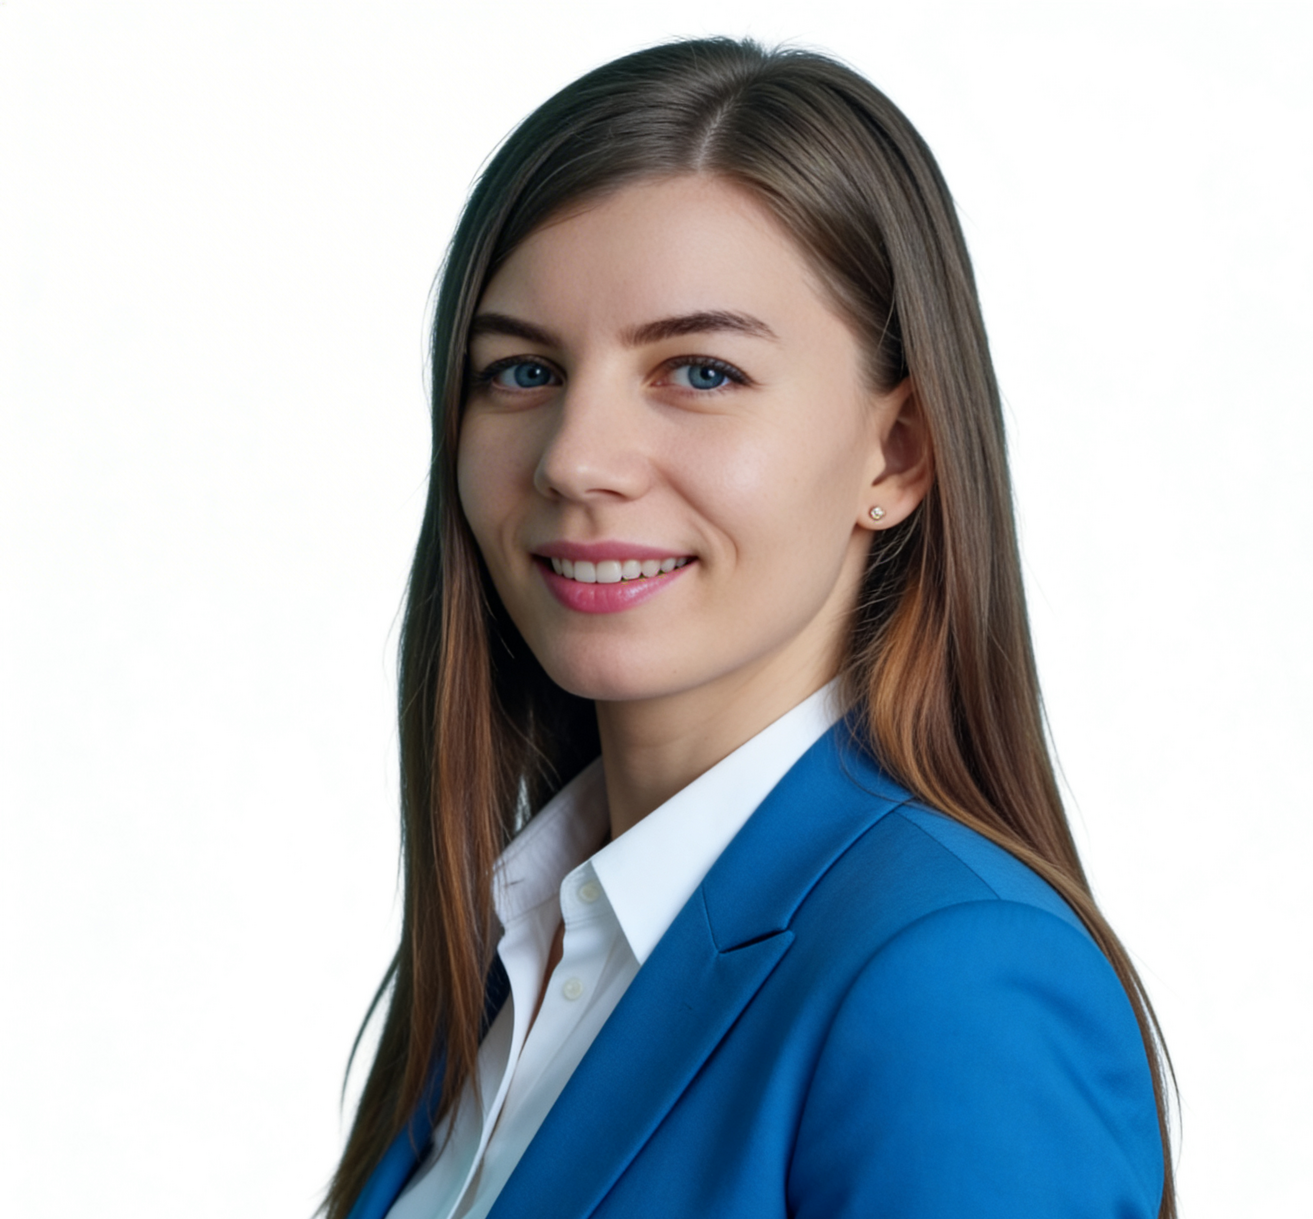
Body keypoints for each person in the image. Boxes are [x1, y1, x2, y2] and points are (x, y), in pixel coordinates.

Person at [322, 37, 1174, 1219]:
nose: (575, 460)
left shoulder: (950, 983)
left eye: (700, 372)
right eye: (521, 372)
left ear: (897, 453)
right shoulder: (520, 954)